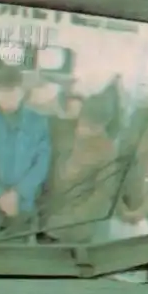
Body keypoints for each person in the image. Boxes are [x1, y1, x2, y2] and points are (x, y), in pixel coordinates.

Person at [0, 64, 51, 241]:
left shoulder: (38, 122)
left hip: (23, 205)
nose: (6, 97)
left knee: (19, 254)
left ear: (22, 91)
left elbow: (41, 164)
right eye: (1, 91)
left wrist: (18, 194)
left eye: (11, 91)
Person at [41, 97, 122, 243]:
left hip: (75, 229)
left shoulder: (107, 152)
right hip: (44, 218)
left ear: (103, 125)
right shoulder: (64, 130)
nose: (84, 131)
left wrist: (73, 218)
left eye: (93, 128)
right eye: (83, 123)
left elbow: (103, 195)